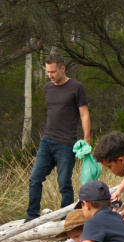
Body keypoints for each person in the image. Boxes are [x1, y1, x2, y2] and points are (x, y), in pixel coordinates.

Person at [26, 53, 91, 221]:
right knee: (35, 179)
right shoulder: (47, 88)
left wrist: (87, 138)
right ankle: (31, 216)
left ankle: (66, 218)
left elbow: (84, 114)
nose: (50, 75)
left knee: (64, 184)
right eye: (48, 72)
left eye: (53, 71)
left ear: (63, 68)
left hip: (67, 144)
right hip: (47, 141)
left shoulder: (77, 87)